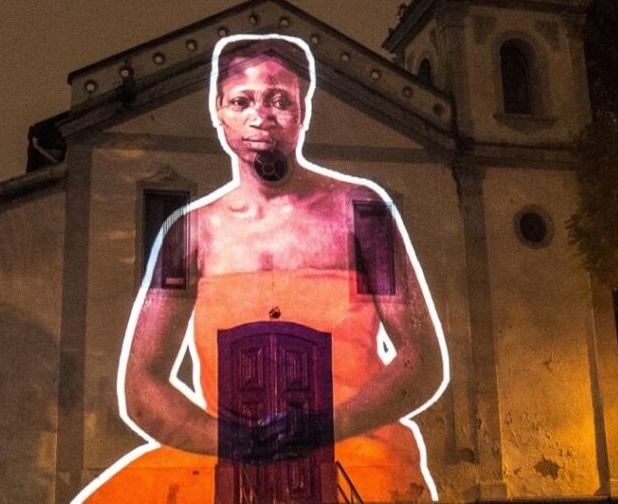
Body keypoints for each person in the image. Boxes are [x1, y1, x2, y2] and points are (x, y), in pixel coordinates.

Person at [73, 34, 448, 503]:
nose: (260, 116)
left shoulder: (362, 213)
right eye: (241, 100)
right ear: (218, 113)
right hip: (223, 463)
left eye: (279, 100)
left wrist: (327, 426)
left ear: (303, 111)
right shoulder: (188, 236)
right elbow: (141, 384)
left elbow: (423, 360)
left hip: (358, 457)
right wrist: (230, 440)